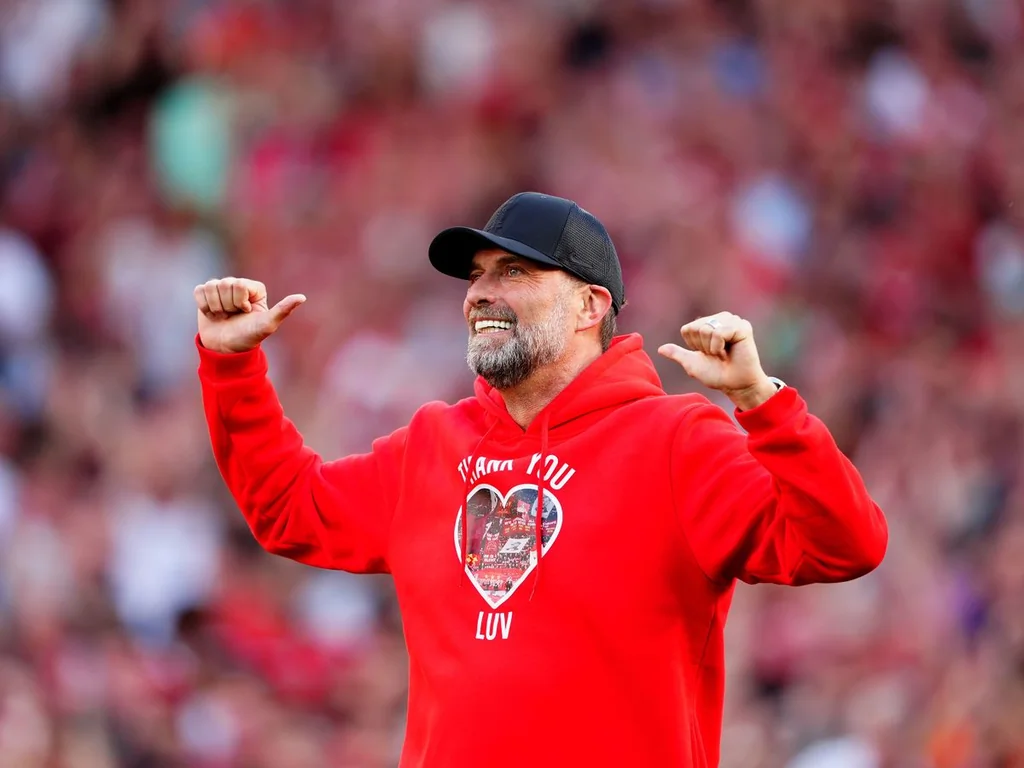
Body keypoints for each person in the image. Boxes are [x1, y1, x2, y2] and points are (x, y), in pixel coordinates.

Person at [194, 191, 888, 767]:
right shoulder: (434, 445)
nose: (481, 295)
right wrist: (232, 369)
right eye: (476, 276)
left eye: (514, 274)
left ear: (590, 306)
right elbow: (290, 509)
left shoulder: (676, 442)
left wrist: (765, 404)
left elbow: (844, 544)